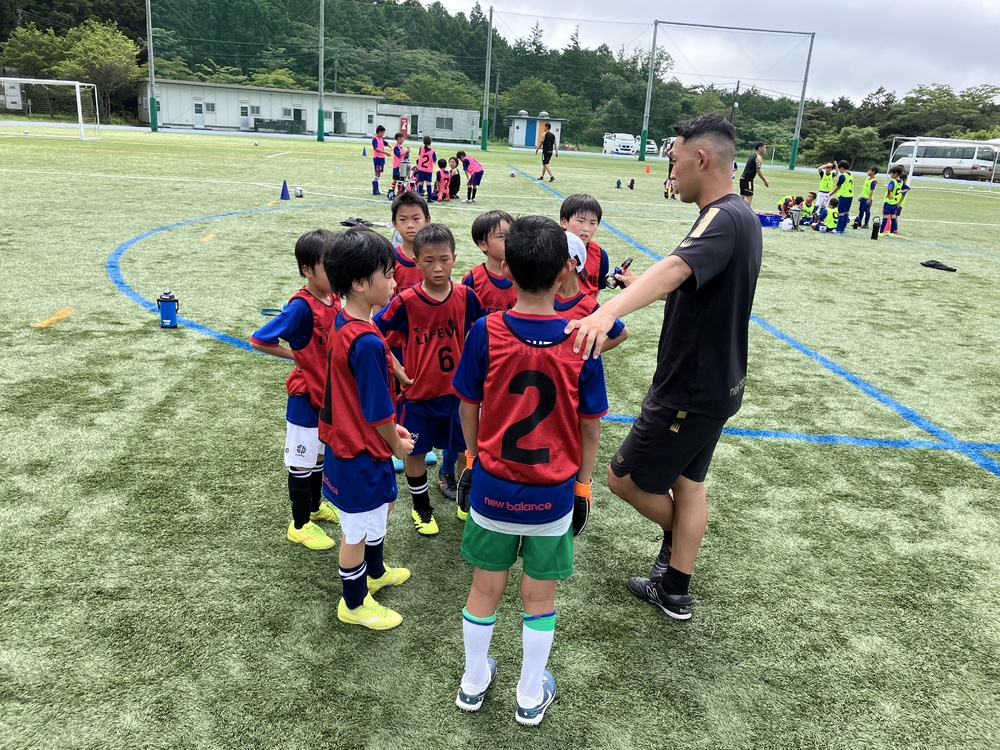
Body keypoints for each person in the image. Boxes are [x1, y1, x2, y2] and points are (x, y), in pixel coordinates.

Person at [564, 114, 762, 622]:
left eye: (673, 160)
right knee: (688, 483)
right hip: (720, 383)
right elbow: (693, 283)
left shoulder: (723, 216)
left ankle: (676, 554)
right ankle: (674, 588)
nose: (670, 171)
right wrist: (636, 288)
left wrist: (605, 311)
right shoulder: (738, 214)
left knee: (623, 478)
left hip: (689, 388)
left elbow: (675, 267)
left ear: (702, 158)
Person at [451, 215, 607, 726]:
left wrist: (471, 458)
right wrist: (583, 485)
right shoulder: (581, 339)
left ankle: (473, 682)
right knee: (540, 597)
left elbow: (468, 406)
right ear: (566, 271)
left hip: (493, 487)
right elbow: (590, 427)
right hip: (553, 494)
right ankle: (528, 693)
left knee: (484, 589)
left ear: (506, 269)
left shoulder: (486, 331)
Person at [319, 227, 415, 630]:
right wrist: (396, 443)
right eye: (388, 275)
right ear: (360, 283)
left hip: (358, 445)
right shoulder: (367, 341)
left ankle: (374, 572)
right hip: (358, 450)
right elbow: (377, 412)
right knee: (355, 532)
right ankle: (354, 603)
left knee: (381, 508)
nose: (395, 282)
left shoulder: (350, 320)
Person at [374, 224, 485, 534]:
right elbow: (371, 330)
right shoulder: (406, 301)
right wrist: (395, 365)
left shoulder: (465, 296)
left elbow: (486, 331)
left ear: (454, 259)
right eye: (429, 260)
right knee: (416, 452)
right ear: (416, 262)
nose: (437, 267)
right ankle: (421, 508)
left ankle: (465, 502)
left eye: (444, 259)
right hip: (419, 396)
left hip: (459, 396)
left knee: (465, 449)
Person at [250, 230, 342, 550]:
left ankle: (314, 509)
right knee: (302, 463)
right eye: (327, 266)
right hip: (305, 397)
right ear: (307, 270)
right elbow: (259, 340)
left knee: (319, 456)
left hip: (328, 396)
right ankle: (299, 525)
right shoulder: (301, 307)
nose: (335, 272)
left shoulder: (334, 298)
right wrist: (297, 355)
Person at [555, 232, 629, 353]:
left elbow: (622, 334)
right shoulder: (540, 298)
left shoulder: (589, 306)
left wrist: (587, 354)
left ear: (571, 265)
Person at [463, 210, 517, 315]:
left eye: (512, 235)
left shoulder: (524, 275)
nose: (509, 241)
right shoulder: (473, 279)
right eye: (501, 236)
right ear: (483, 245)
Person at [559, 193, 610, 300]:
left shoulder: (601, 255)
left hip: (585, 309)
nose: (586, 228)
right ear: (564, 222)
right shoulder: (551, 249)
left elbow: (597, 289)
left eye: (592, 223)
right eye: (580, 221)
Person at [739, 141, 769, 206]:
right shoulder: (758, 157)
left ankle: (736, 210)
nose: (765, 149)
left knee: (742, 197)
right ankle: (746, 212)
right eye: (764, 147)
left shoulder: (752, 156)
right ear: (759, 148)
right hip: (748, 179)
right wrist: (765, 181)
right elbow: (758, 170)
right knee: (749, 197)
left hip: (743, 178)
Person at [828, 160, 854, 233]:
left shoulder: (843, 176)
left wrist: (831, 193)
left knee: (841, 213)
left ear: (842, 168)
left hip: (843, 196)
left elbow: (838, 187)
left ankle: (838, 229)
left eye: (839, 169)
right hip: (850, 196)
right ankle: (843, 229)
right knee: (846, 212)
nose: (839, 171)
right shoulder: (850, 175)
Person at [882, 166, 904, 234]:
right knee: (893, 217)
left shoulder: (893, 181)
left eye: (891, 173)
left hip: (889, 202)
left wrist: (888, 194)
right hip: (895, 202)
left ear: (896, 174)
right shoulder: (901, 182)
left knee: (885, 216)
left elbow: (889, 188)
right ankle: (891, 232)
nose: (890, 175)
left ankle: (881, 231)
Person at [390, 132, 410, 197]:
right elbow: (399, 155)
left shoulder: (401, 147)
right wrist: (406, 151)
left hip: (402, 165)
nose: (403, 141)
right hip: (397, 166)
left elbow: (404, 156)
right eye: (402, 139)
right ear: (398, 139)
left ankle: (399, 193)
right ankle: (391, 192)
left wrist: (407, 154)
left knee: (401, 180)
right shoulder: (396, 147)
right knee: (395, 179)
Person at [372, 125, 389, 195]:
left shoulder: (381, 138)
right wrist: (385, 152)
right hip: (377, 158)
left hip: (382, 158)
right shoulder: (375, 139)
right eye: (383, 133)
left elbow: (386, 143)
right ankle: (375, 189)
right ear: (379, 132)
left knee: (379, 174)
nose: (383, 134)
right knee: (377, 173)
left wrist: (392, 147)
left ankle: (378, 189)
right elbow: (376, 148)